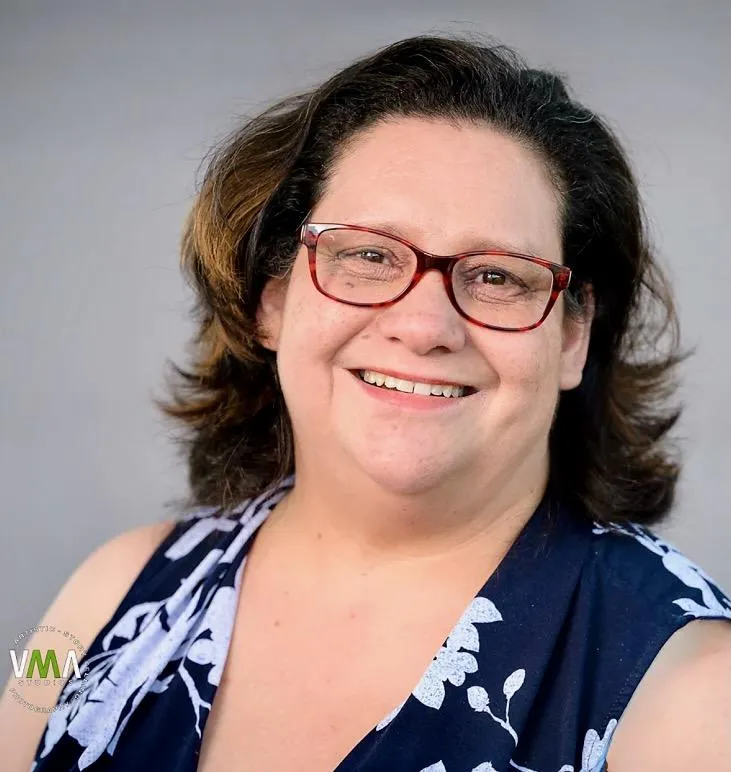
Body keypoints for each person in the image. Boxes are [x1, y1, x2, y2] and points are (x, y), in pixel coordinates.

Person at [2, 33, 730, 772]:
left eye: (498, 277)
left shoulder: (701, 694)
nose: (423, 326)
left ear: (572, 336)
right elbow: (20, 725)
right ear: (272, 298)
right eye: (369, 255)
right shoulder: (101, 596)